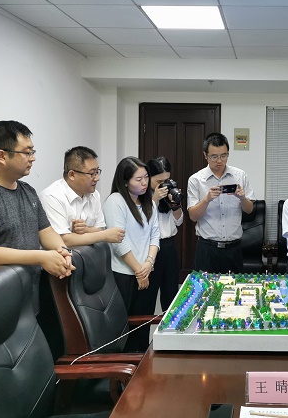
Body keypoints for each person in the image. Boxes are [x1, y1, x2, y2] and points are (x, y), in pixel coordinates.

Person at [0, 120, 74, 314]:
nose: (33, 158)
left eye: (33, 152)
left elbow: (46, 232)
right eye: (27, 152)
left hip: (29, 298)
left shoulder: (28, 191)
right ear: (2, 156)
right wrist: (42, 257)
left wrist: (63, 252)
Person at [103, 156, 160, 351]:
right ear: (125, 181)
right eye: (138, 179)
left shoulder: (149, 202)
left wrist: (149, 263)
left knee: (143, 325)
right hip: (125, 274)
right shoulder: (116, 201)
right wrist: (139, 270)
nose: (144, 183)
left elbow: (155, 235)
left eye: (146, 177)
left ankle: (141, 361)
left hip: (146, 271)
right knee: (123, 327)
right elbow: (119, 242)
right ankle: (122, 364)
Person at [187, 133, 254, 273]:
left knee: (234, 286)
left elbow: (249, 210)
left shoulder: (240, 176)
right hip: (207, 248)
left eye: (224, 156)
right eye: (214, 156)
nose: (219, 161)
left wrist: (242, 198)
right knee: (205, 287)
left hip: (234, 249)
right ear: (205, 155)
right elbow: (193, 216)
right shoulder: (196, 180)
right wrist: (206, 200)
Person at [40, 146, 125, 247]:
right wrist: (104, 236)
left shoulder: (94, 194)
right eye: (92, 173)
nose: (97, 178)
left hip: (87, 254)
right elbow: (63, 240)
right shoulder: (52, 197)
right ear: (72, 175)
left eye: (97, 172)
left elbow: (99, 228)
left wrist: (86, 230)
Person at [147, 156, 183, 310]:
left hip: (169, 246)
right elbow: (143, 222)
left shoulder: (169, 191)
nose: (163, 185)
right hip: (150, 248)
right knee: (148, 295)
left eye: (166, 180)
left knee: (171, 294)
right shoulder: (141, 196)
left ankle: (170, 324)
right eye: (159, 181)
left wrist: (176, 205)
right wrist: (154, 199)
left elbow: (179, 222)